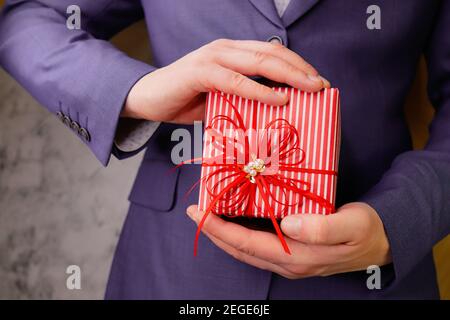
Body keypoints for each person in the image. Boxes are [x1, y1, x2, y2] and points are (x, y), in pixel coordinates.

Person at [0, 0, 449, 299]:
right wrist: (137, 89)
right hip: (173, 270)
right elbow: (31, 19)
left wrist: (396, 222)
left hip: (369, 272)